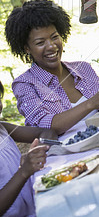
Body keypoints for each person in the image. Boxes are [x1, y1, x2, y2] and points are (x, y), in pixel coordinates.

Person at [5, 0, 99, 135]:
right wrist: (92, 103)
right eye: (40, 42)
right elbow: (44, 127)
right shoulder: (25, 84)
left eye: (54, 37)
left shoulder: (83, 69)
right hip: (68, 154)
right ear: (26, 48)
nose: (51, 46)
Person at [0, 79, 56, 216]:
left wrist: (40, 149)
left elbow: (48, 132)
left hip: (38, 206)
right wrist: (23, 172)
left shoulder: (3, 128)